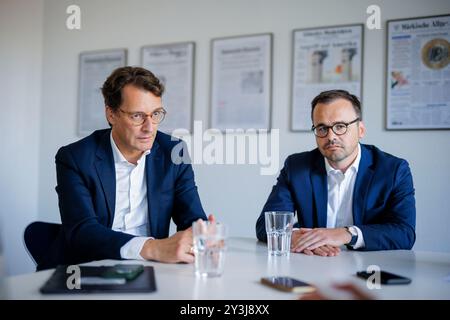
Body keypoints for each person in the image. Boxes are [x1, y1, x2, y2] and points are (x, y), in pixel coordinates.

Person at [42, 66, 208, 270]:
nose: (150, 127)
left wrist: (203, 236)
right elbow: (82, 231)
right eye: (137, 116)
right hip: (85, 269)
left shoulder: (174, 152)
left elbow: (192, 219)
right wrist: (153, 248)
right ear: (111, 114)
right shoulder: (75, 158)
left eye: (155, 114)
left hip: (150, 269)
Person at [256, 90, 416, 256]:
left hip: (370, 269)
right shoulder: (296, 167)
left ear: (360, 130)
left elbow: (404, 233)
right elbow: (266, 225)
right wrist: (294, 237)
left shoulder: (394, 170)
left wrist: (346, 234)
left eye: (340, 126)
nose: (331, 136)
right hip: (311, 264)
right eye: (322, 128)